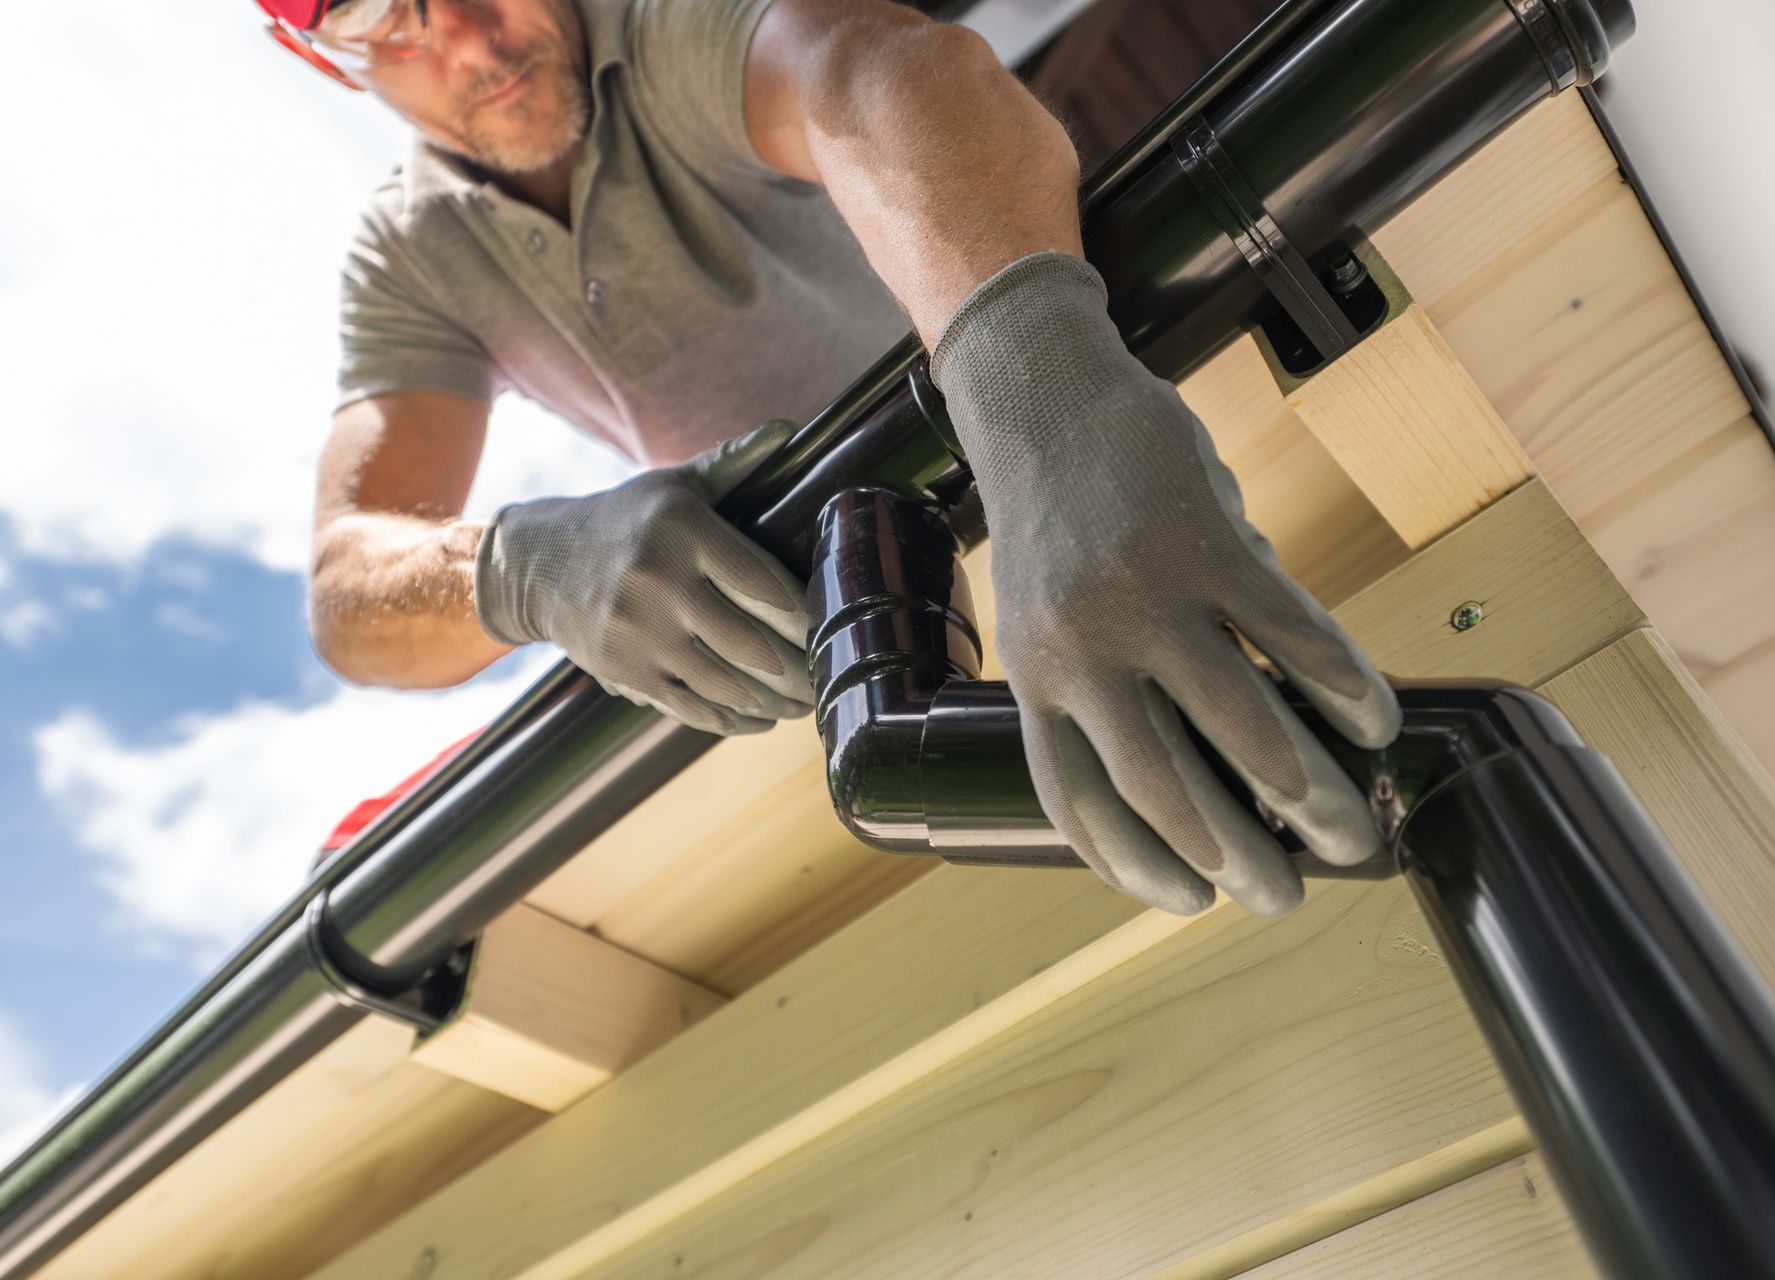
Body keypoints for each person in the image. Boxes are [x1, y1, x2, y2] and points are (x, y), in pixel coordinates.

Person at [263, 0, 1403, 918]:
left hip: (1090, 461)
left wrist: (1038, 394)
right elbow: (346, 586)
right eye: (382, 20)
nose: (469, 35)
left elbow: (870, 73)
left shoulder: (653, 22)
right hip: (833, 615)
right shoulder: (408, 256)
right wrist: (518, 565)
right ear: (323, 61)